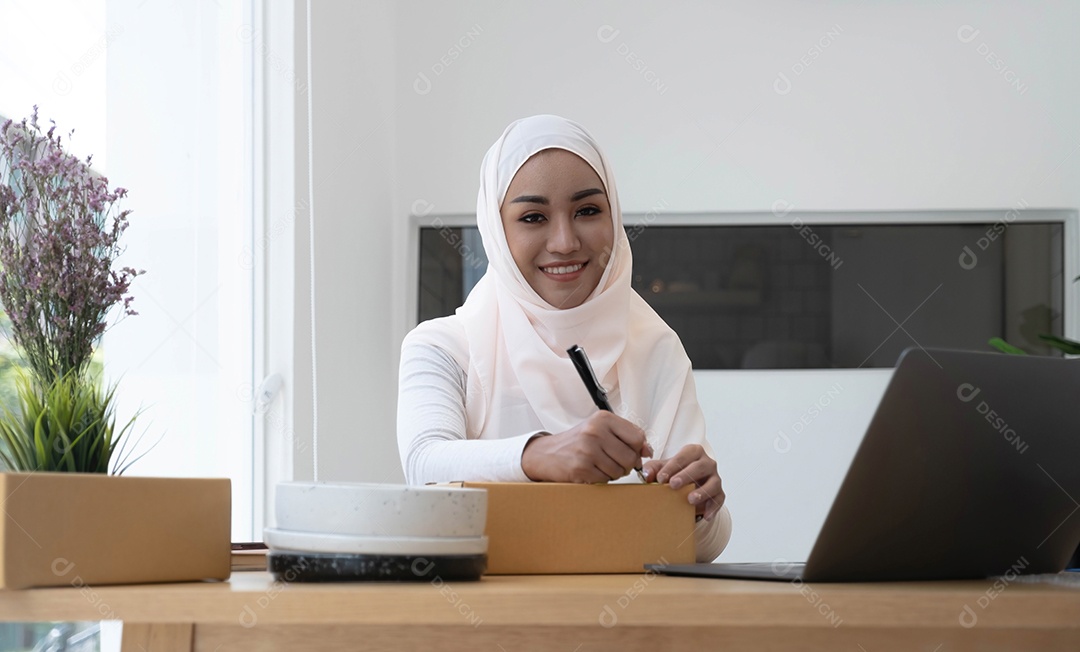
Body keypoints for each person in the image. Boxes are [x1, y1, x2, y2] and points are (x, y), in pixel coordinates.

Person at [397, 115, 732, 561]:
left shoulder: (655, 348)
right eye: (533, 217)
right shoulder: (443, 347)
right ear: (497, 232)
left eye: (588, 211)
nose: (565, 242)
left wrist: (699, 505)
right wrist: (540, 454)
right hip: (483, 617)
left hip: (628, 619)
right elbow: (424, 468)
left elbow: (702, 549)